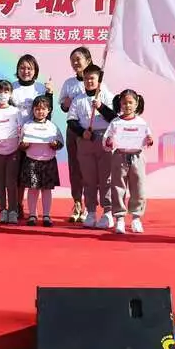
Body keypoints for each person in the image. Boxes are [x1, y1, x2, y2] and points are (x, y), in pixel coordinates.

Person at [67, 64, 117, 229]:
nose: (89, 81)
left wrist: (101, 107)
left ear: (98, 79)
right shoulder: (78, 99)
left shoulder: (107, 96)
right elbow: (71, 121)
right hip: (86, 141)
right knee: (88, 178)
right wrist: (82, 133)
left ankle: (108, 212)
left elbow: (115, 118)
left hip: (104, 140)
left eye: (92, 78)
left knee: (106, 178)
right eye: (86, 78)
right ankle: (90, 212)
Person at [103, 89, 154, 234]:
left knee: (138, 187)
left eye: (131, 102)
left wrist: (149, 140)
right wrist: (109, 142)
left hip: (137, 157)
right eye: (124, 103)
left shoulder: (141, 122)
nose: (127, 106)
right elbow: (106, 141)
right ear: (120, 104)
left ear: (136, 103)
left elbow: (147, 140)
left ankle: (136, 218)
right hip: (119, 156)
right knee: (118, 187)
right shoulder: (115, 122)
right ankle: (119, 218)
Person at [11, 54, 54, 216]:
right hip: (14, 136)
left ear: (35, 70)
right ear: (17, 70)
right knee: (16, 174)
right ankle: (17, 205)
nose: (26, 71)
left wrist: (50, 94)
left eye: (29, 68)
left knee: (31, 175)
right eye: (22, 68)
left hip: (34, 139)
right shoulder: (12, 87)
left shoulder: (41, 88)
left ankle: (36, 212)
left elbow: (48, 114)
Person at [19, 96, 64, 227]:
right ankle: (32, 214)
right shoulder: (27, 125)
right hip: (31, 161)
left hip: (48, 161)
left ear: (49, 110)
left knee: (47, 190)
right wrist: (24, 145)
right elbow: (20, 143)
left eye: (43, 109)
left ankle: (46, 215)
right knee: (32, 190)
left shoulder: (53, 126)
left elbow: (60, 143)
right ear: (33, 110)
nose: (40, 112)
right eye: (37, 109)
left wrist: (55, 145)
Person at [0, 80, 23, 224]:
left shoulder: (16, 112)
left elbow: (21, 130)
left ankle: (13, 210)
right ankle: (2, 209)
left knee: (11, 182)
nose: (2, 94)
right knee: (0, 183)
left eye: (6, 91)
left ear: (10, 94)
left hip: (13, 151)